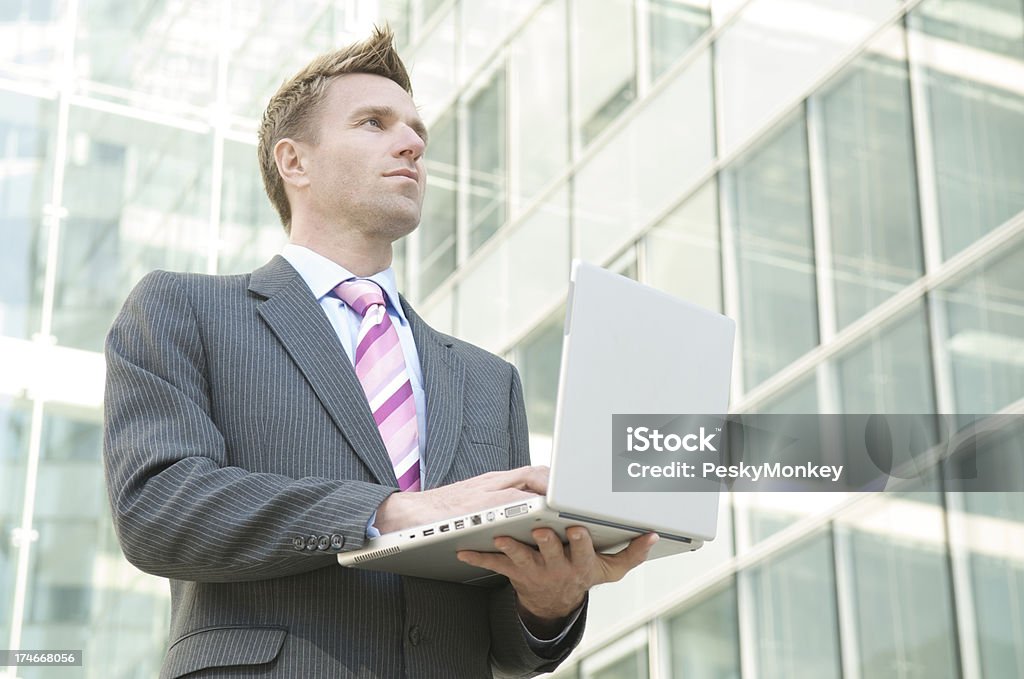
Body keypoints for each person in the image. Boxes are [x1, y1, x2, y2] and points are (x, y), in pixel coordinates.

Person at [103, 26, 656, 678]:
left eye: (418, 131)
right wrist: (392, 512)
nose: (414, 143)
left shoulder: (488, 380)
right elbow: (160, 510)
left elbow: (509, 644)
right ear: (294, 162)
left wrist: (550, 597)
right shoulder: (183, 310)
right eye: (374, 122)